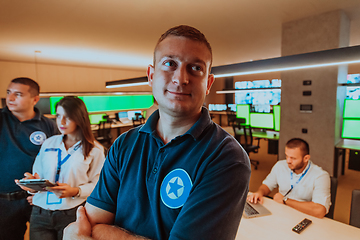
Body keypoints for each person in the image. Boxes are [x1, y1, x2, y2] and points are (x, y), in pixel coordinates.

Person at [64, 25, 251, 240]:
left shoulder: (226, 158)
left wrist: (103, 233)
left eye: (195, 68)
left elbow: (91, 231)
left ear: (208, 83)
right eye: (170, 64)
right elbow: (92, 223)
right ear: (151, 75)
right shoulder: (123, 145)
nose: (181, 78)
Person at [15, 96, 105, 240]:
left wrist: (76, 191)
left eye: (68, 117)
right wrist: (33, 184)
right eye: (58, 116)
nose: (61, 122)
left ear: (79, 118)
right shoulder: (49, 143)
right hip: (40, 213)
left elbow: (99, 184)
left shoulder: (95, 150)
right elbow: (38, 173)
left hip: (71, 212)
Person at [0, 77, 58, 240]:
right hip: (4, 201)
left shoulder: (48, 125)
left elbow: (56, 160)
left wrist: (45, 192)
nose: (10, 98)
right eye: (8, 93)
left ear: (35, 99)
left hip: (37, 197)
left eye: (18, 94)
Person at [247, 138, 331, 218]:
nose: (288, 161)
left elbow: (320, 210)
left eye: (293, 158)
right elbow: (267, 185)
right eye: (287, 156)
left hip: (303, 216)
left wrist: (285, 200)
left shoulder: (320, 176)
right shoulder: (280, 165)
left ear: (306, 158)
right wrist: (259, 192)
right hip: (281, 213)